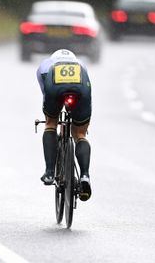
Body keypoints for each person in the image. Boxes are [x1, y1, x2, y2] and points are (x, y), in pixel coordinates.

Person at [36, 49, 92, 201]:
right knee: (80, 134)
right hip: (80, 90)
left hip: (55, 89)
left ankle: (49, 172)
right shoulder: (81, 64)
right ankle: (85, 175)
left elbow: (46, 92)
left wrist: (56, 109)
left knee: (50, 123)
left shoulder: (45, 65)